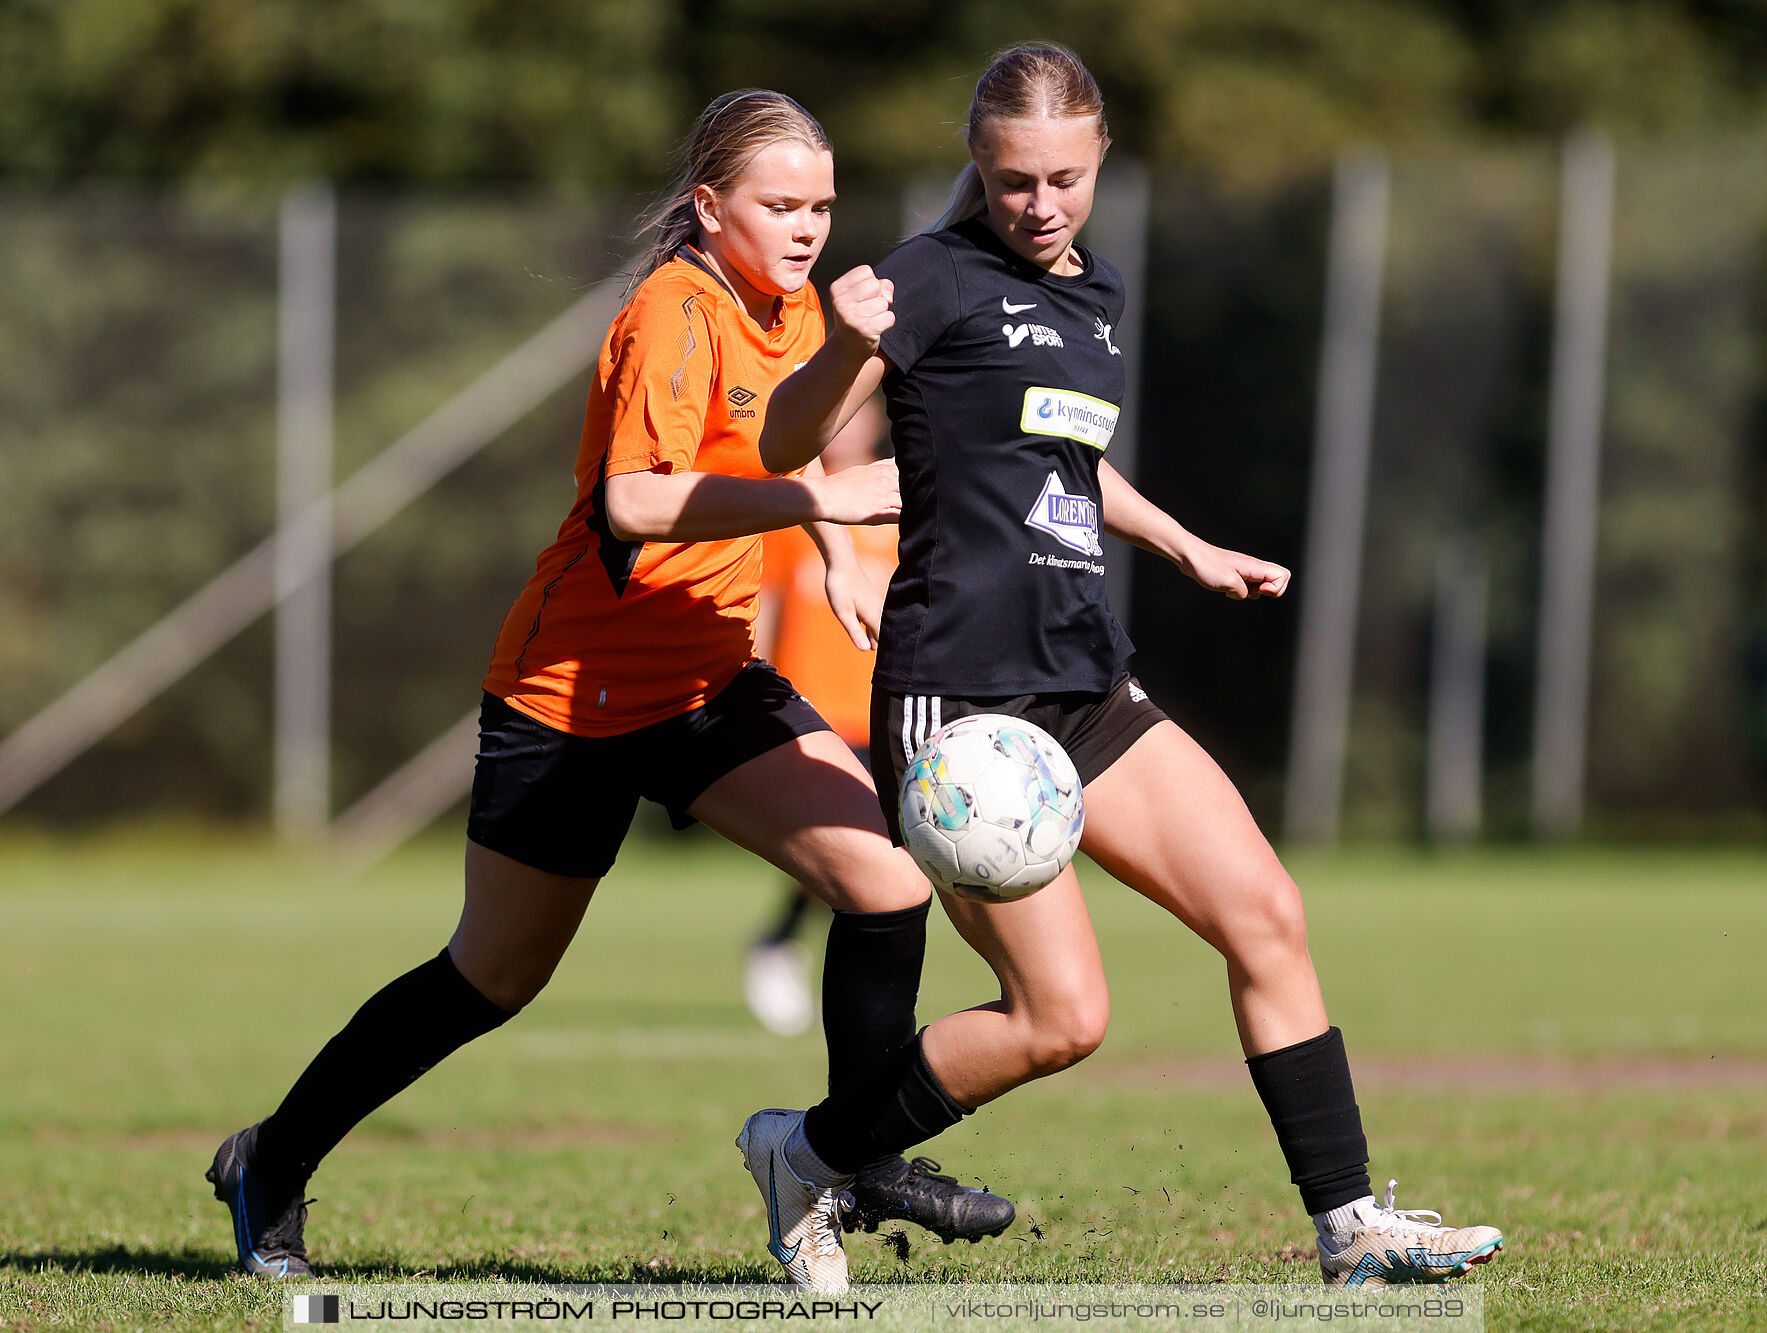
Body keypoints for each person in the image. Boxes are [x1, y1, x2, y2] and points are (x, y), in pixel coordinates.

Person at [204, 88, 1006, 1297]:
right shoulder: (670, 313)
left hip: (709, 679)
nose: (806, 227)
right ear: (708, 206)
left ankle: (856, 1153)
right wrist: (816, 510)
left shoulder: (793, 309)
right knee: (491, 977)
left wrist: (836, 547)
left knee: (887, 883)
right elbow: (636, 502)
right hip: (569, 697)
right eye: (778, 205)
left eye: (823, 205)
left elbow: (800, 446)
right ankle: (270, 1160)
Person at [756, 43, 1506, 1288]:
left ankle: (1352, 1227)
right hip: (961, 703)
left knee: (1266, 913)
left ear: (1100, 157)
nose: (1038, 205)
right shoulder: (927, 281)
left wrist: (1186, 543)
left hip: (1086, 680)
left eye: (1061, 177)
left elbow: (1062, 460)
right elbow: (787, 440)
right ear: (977, 168)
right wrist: (838, 350)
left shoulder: (1095, 294)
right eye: (1010, 182)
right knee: (1063, 1020)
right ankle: (809, 1155)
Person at [744, 397, 894, 1038]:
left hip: (886, 707)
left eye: (859, 413)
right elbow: (764, 614)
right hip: (813, 711)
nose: (847, 426)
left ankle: (784, 942)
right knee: (860, 851)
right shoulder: (797, 506)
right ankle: (787, 950)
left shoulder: (903, 509)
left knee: (881, 853)